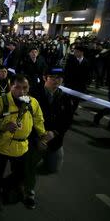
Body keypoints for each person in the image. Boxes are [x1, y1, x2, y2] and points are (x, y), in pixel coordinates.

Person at [0, 74, 53, 211]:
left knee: (20, 174)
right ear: (11, 86)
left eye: (25, 88)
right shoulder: (0, 102)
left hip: (22, 147)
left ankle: (4, 189)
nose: (22, 91)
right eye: (17, 87)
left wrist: (43, 134)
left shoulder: (33, 102)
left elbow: (38, 120)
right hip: (1, 146)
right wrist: (4, 125)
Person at [24, 67, 73, 209]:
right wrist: (39, 137)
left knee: (53, 167)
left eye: (59, 78)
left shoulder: (64, 97)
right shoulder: (33, 94)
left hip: (55, 141)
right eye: (53, 77)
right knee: (31, 165)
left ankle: (24, 176)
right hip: (35, 140)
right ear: (45, 77)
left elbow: (67, 120)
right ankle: (29, 191)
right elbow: (26, 117)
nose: (57, 80)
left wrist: (55, 132)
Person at [64, 44, 91, 114]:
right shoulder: (70, 60)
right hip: (70, 83)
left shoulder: (86, 62)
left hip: (80, 85)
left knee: (76, 100)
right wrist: (66, 82)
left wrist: (87, 83)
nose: (75, 53)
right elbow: (66, 71)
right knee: (68, 99)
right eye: (74, 51)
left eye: (76, 51)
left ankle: (72, 111)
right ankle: (67, 111)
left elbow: (88, 74)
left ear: (81, 52)